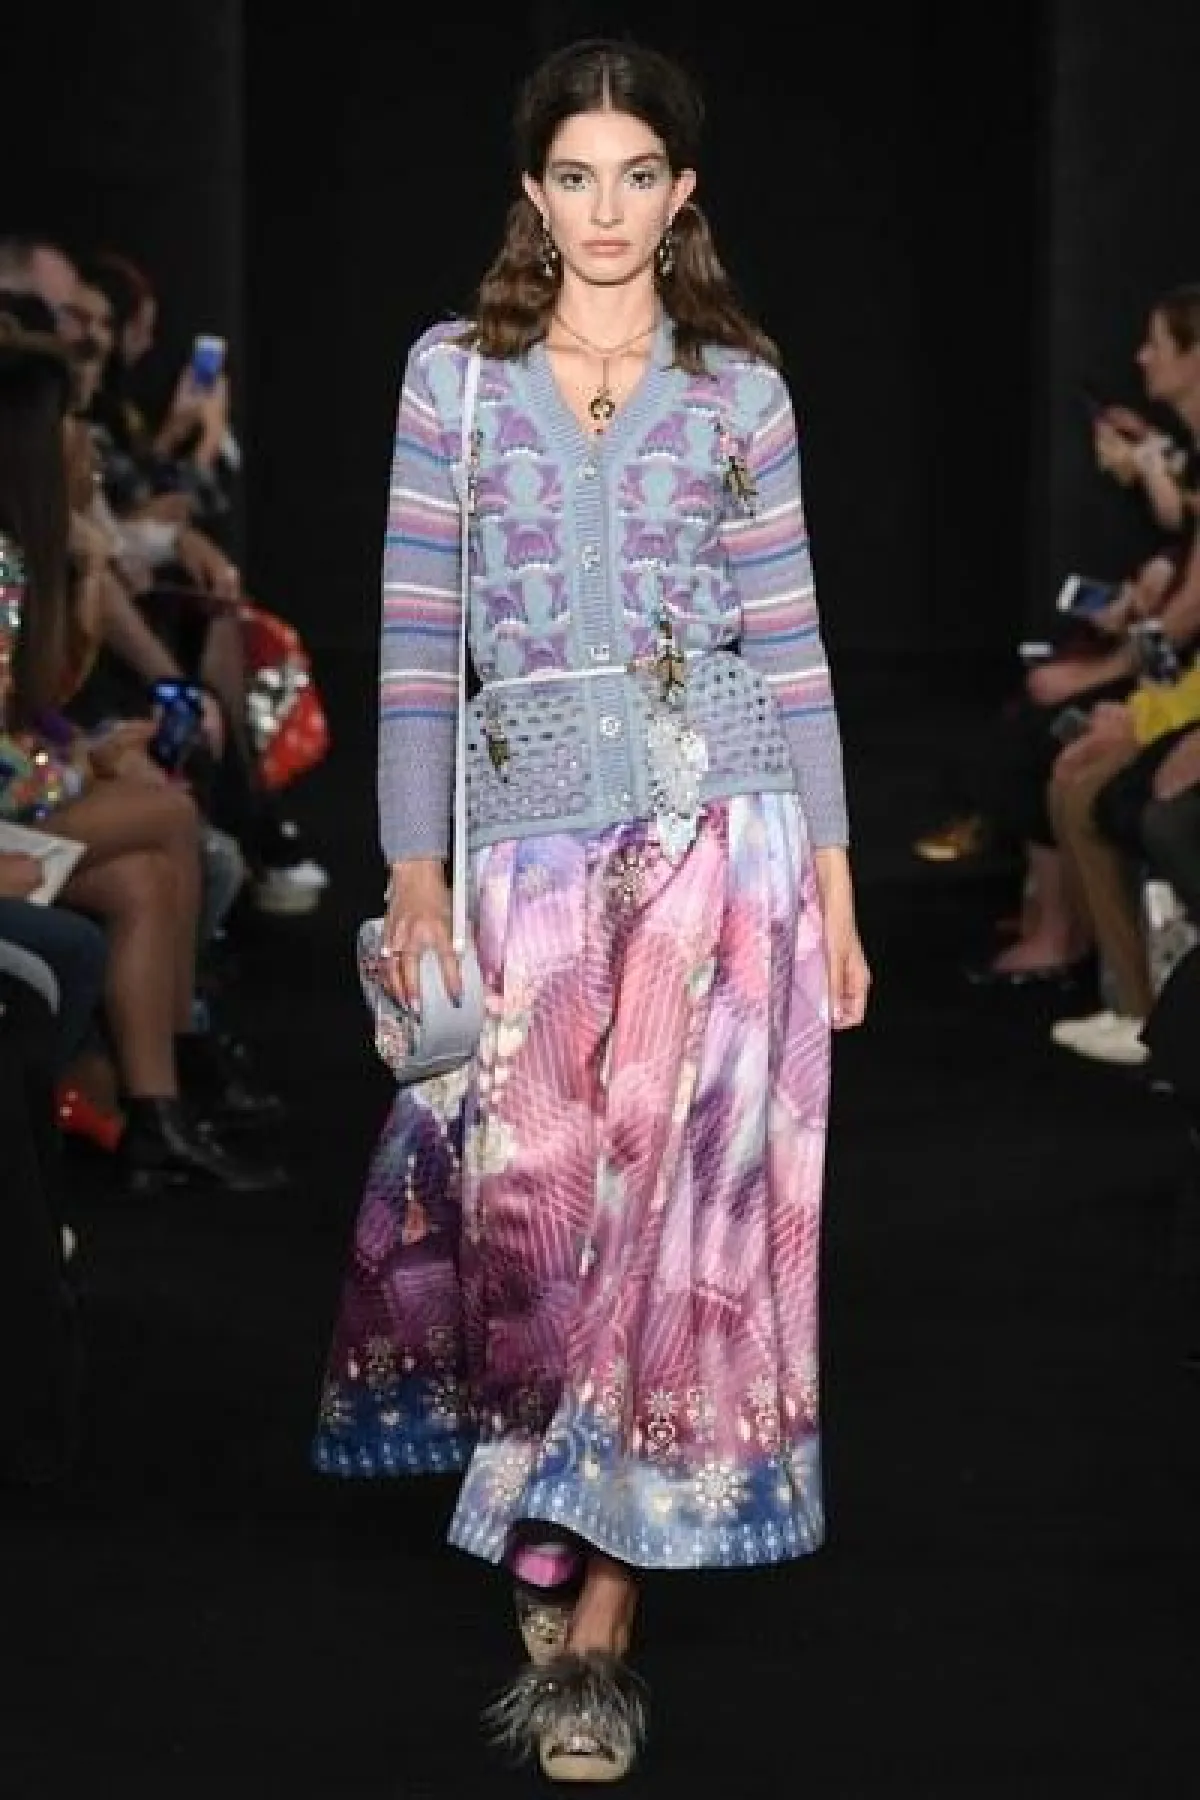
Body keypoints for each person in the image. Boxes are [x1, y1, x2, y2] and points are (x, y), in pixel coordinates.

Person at [312, 35, 870, 1782]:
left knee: (679, 1224)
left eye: (638, 176)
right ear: (532, 193)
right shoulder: (457, 383)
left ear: (682, 191)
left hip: (730, 839)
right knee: (539, 1217)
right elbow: (417, 635)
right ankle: (549, 1511)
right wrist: (413, 867)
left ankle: (607, 1628)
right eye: (575, 176)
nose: (606, 209)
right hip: (531, 857)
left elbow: (795, 644)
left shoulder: (742, 393)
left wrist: (840, 887)